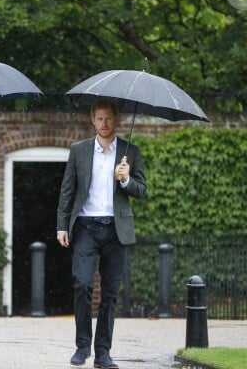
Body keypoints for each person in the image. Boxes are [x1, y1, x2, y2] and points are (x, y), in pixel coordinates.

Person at [56, 100, 146, 369]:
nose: (104, 123)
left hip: (116, 230)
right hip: (85, 226)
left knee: (109, 293)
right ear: (92, 120)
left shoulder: (131, 151)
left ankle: (103, 352)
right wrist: (62, 225)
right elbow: (67, 190)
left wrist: (126, 180)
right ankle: (82, 346)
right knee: (82, 283)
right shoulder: (79, 150)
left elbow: (142, 189)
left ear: (116, 119)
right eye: (100, 118)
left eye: (109, 118)